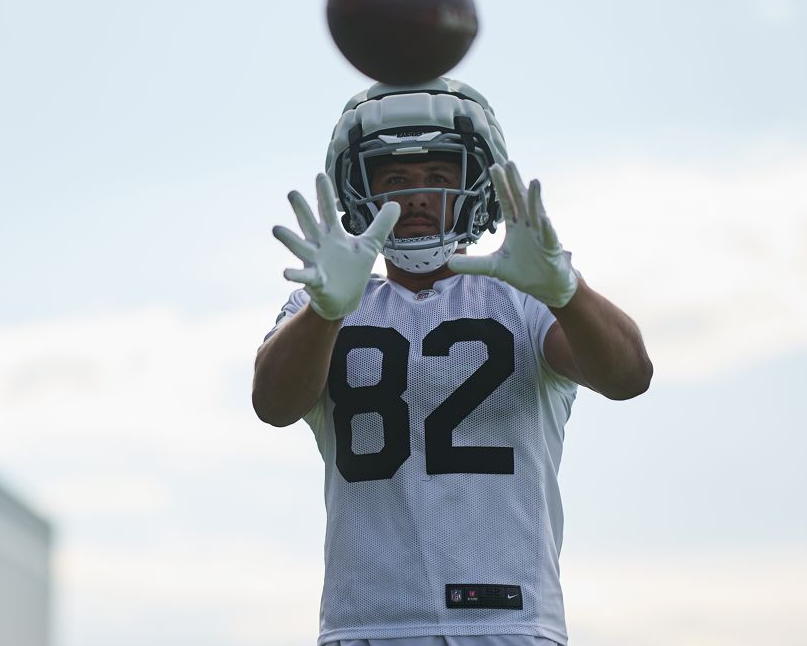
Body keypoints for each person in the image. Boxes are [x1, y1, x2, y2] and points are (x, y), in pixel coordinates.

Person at [253, 78, 652, 646]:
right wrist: (324, 311)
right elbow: (272, 404)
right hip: (366, 622)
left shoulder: (527, 297)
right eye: (394, 179)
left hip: (509, 622)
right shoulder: (320, 309)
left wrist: (568, 293)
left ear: (480, 189)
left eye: (439, 178)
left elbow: (630, 375)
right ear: (357, 191)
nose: (416, 196)